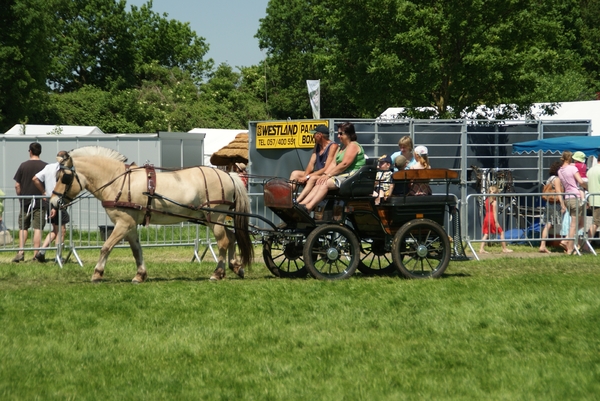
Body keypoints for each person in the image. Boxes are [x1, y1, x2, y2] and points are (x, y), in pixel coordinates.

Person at [299, 122, 365, 212]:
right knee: (320, 181)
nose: (338, 136)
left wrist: (328, 175)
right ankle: (302, 204)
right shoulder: (341, 147)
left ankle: (309, 207)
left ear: (349, 134)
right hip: (342, 175)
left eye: (341, 134)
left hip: (353, 176)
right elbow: (333, 163)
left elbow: (344, 164)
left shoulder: (353, 145)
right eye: (338, 133)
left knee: (325, 183)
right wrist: (324, 175)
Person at [31, 151, 71, 263]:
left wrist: (43, 191)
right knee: (62, 230)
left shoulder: (49, 167)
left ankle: (41, 252)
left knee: (56, 229)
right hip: (58, 201)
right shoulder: (63, 170)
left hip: (49, 200)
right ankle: (59, 255)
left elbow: (35, 179)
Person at [12, 142, 47, 262]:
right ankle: (36, 255)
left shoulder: (23, 166)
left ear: (30, 151)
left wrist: (20, 197)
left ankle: (21, 252)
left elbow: (17, 185)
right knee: (38, 228)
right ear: (40, 152)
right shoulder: (45, 166)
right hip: (41, 202)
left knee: (23, 227)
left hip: (25, 202)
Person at [290, 124, 338, 203]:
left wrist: (307, 177)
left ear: (319, 135)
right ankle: (286, 197)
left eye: (314, 134)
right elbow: (311, 164)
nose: (313, 136)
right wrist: (305, 176)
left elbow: (326, 168)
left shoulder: (333, 146)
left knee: (311, 178)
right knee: (295, 173)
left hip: (326, 174)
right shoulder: (317, 145)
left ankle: (298, 201)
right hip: (317, 173)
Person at [557, 150, 587, 254]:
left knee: (580, 223)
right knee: (575, 224)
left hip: (567, 197)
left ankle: (568, 245)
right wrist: (588, 187)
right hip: (575, 196)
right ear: (570, 158)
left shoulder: (560, 171)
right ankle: (567, 244)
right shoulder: (573, 168)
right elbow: (581, 181)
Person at [538, 161, 566, 253]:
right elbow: (558, 192)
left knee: (548, 224)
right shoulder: (557, 179)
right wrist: (562, 204)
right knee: (563, 222)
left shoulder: (550, 179)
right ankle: (566, 242)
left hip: (548, 203)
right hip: (555, 204)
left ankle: (542, 245)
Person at [479, 185, 512, 254]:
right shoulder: (494, 202)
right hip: (491, 218)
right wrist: (496, 222)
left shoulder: (487, 201)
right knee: (501, 232)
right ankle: (504, 248)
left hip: (486, 218)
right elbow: (494, 213)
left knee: (486, 234)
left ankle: (481, 248)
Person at [586, 157, 600, 247]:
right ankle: (586, 244)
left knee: (596, 222)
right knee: (596, 223)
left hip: (593, 199)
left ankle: (586, 243)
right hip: (598, 199)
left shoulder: (590, 170)